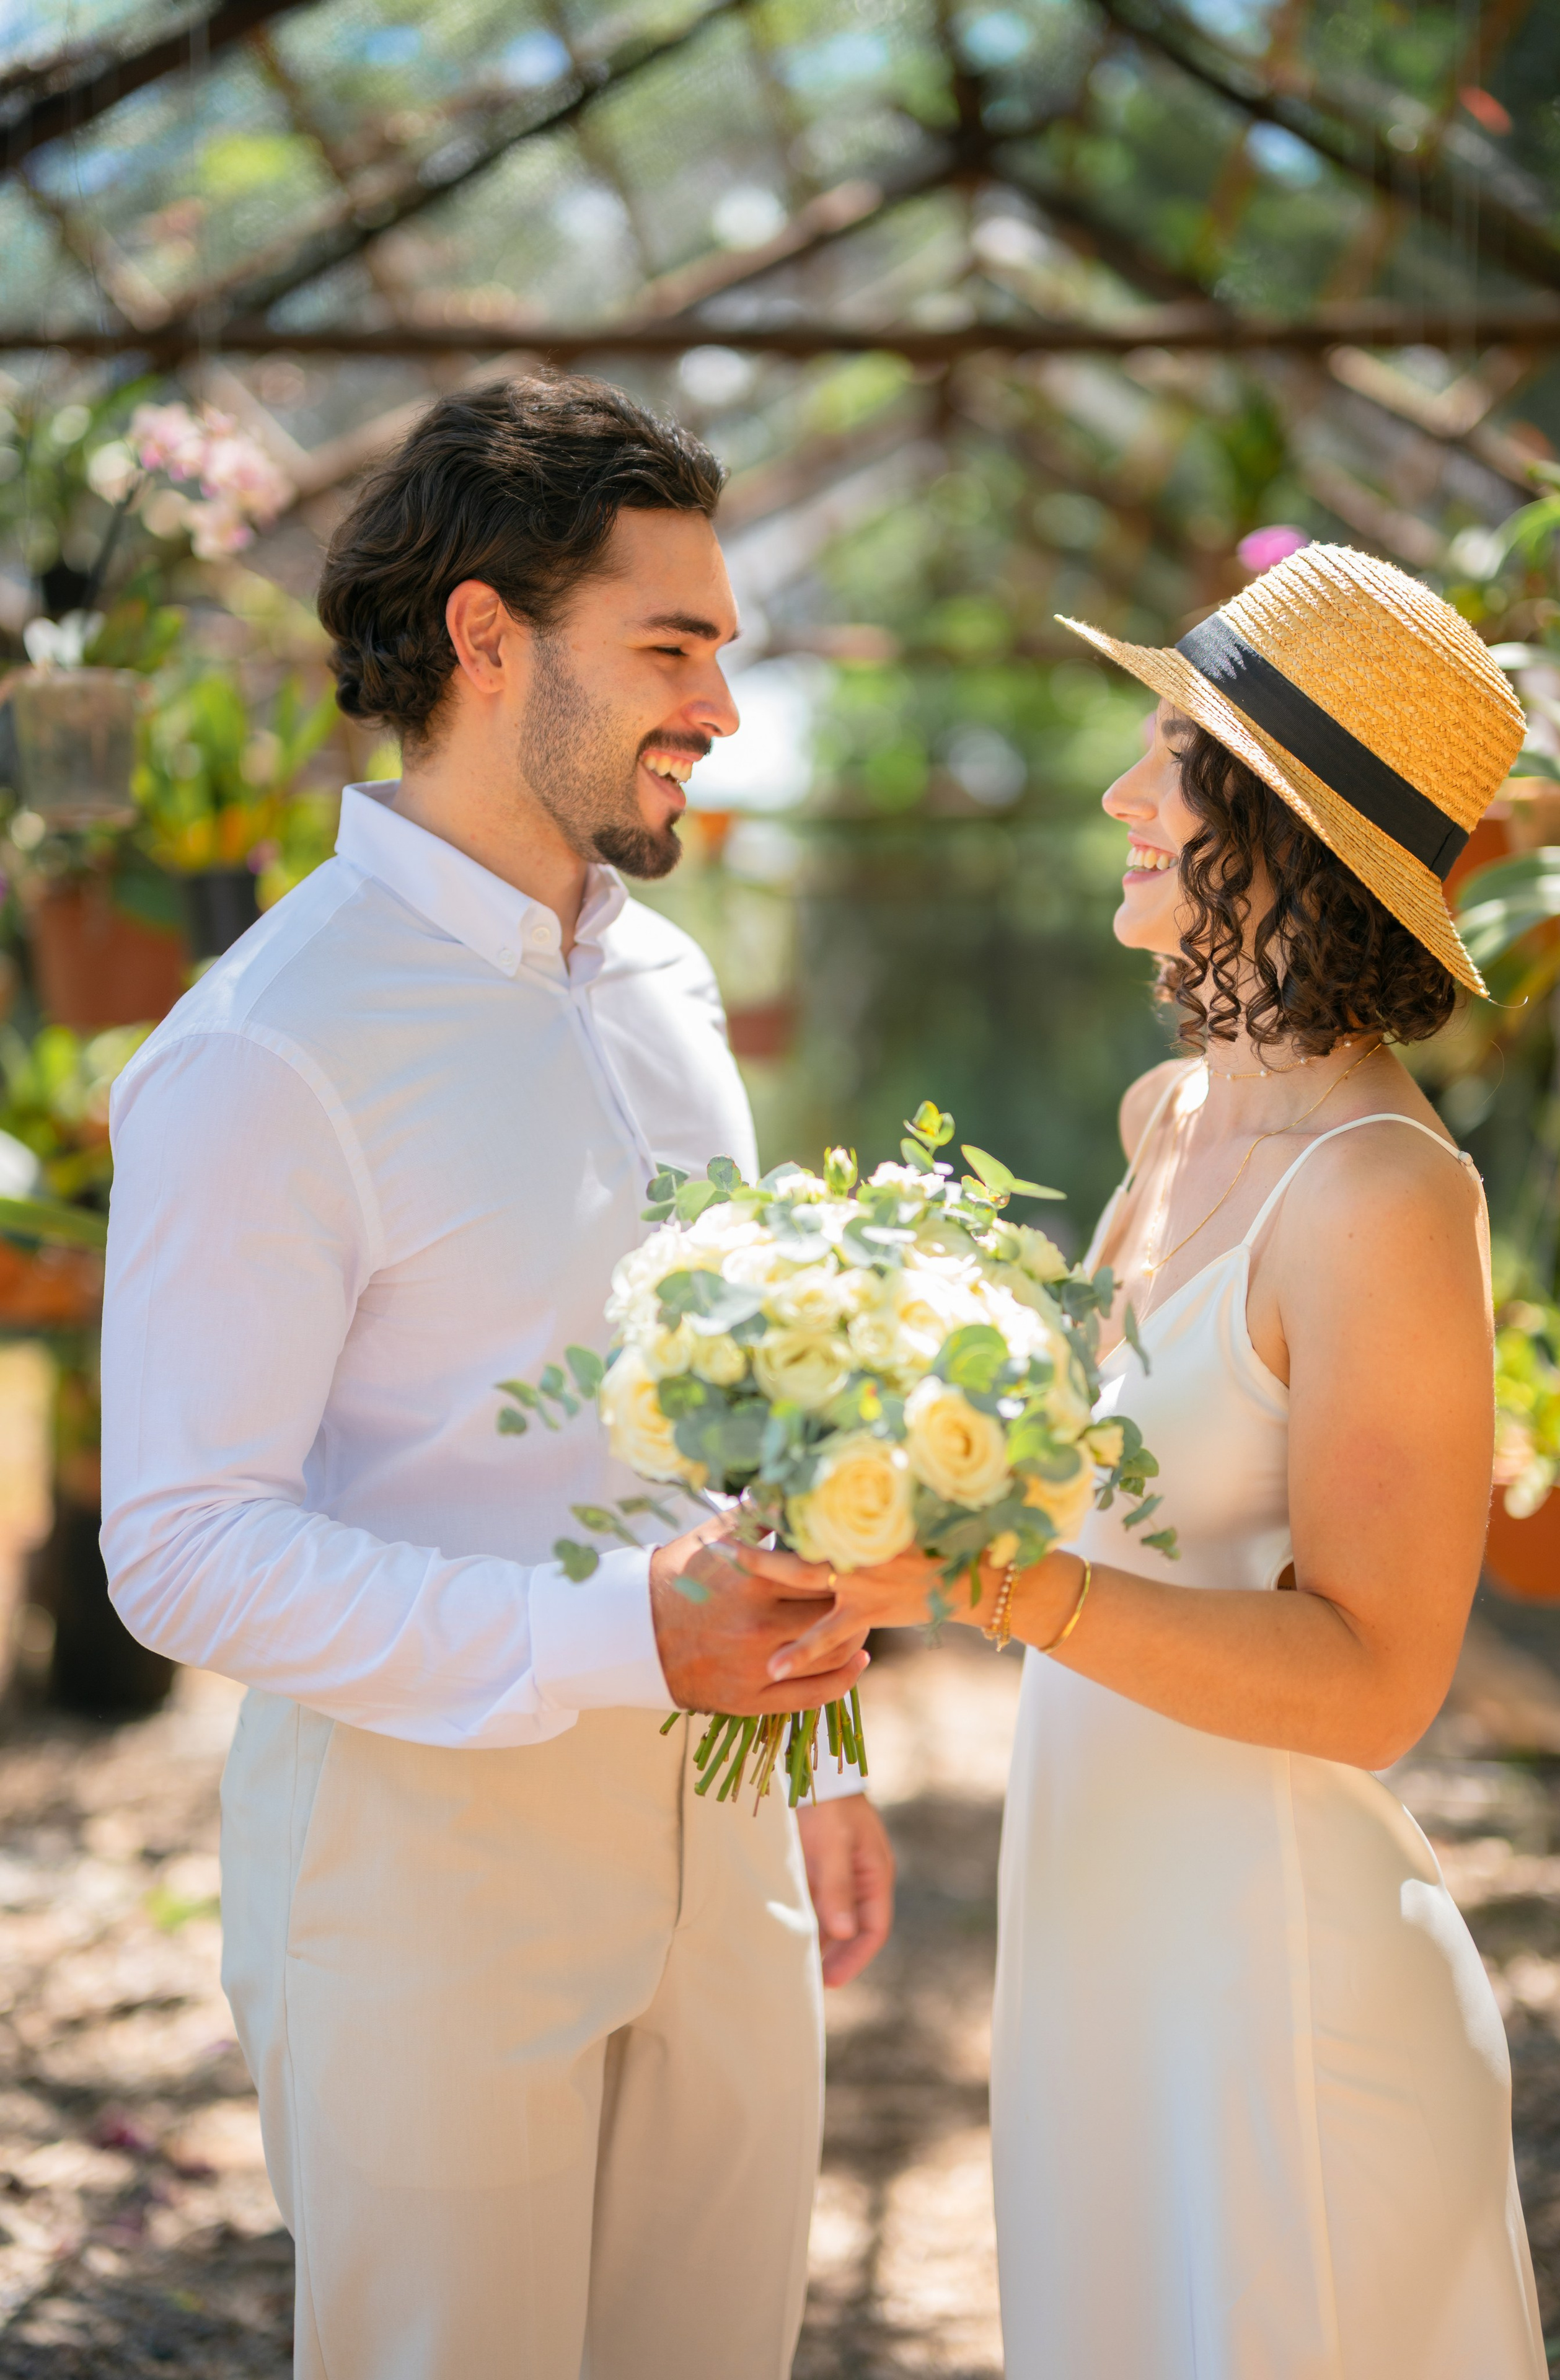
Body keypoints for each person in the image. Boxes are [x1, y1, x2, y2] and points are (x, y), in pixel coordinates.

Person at [99, 374, 893, 2380]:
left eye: (723, 648)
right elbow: (181, 1549)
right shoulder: (261, 1048)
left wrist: (816, 1754)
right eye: (671, 646)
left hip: (732, 1853)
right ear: (484, 637)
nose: (719, 704)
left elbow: (742, 1416)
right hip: (424, 1888)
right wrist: (623, 1634)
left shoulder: (668, 987)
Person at [741, 544, 1549, 2376]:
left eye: (1168, 750)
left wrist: (995, 1584)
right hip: (1098, 1935)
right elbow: (1112, 1503)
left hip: (1276, 1984)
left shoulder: (1387, 1198)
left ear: (1273, 821)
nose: (1121, 791)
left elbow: (1375, 1681)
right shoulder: (1168, 1115)